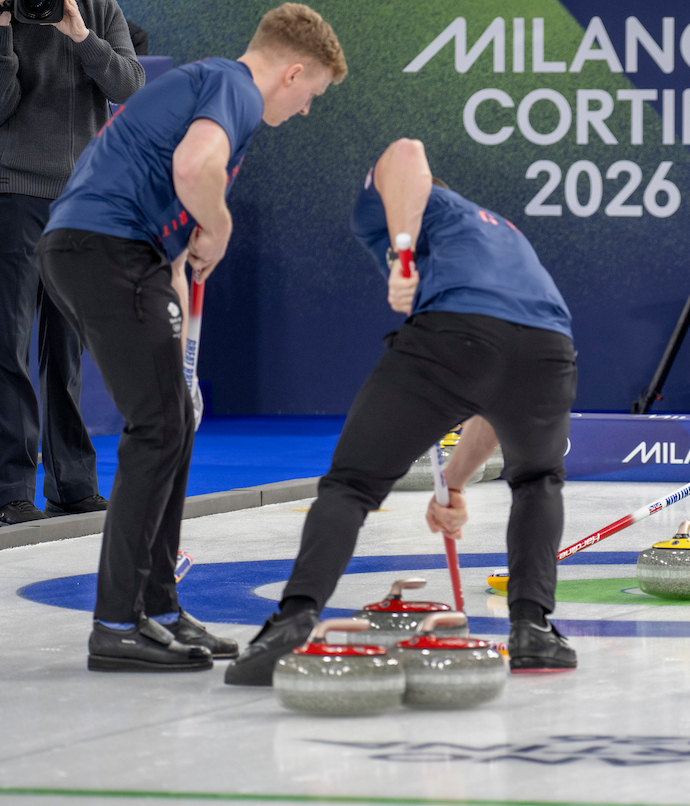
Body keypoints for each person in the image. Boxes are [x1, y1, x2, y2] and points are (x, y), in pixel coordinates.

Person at [35, 3, 346, 671]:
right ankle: (117, 624)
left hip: (115, 253)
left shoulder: (212, 93)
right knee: (157, 427)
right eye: (312, 95)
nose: (305, 110)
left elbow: (175, 258)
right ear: (293, 72)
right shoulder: (234, 87)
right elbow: (194, 167)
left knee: (172, 418)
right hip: (104, 248)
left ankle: (160, 608)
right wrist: (222, 227)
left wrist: (180, 371)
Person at [224, 137, 579, 686]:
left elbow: (407, 153)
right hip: (548, 348)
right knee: (537, 480)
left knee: (351, 485)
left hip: (455, 331)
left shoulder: (387, 212)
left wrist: (404, 256)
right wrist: (453, 483)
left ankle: (291, 623)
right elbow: (492, 398)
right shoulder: (499, 231)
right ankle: (532, 630)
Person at [0, 0, 143, 525]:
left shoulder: (101, 8)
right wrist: (2, 32)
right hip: (14, 193)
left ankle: (73, 485)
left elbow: (130, 87)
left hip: (81, 200)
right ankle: (11, 490)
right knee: (9, 346)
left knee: (68, 351)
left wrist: (81, 34)